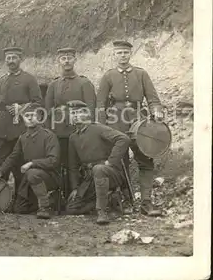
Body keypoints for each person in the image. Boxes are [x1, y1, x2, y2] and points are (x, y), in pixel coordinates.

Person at [97, 40, 164, 216]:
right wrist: (103, 127)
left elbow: (153, 98)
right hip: (116, 120)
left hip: (139, 119)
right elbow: (100, 104)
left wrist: (156, 112)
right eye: (119, 53)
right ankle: (126, 201)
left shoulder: (141, 74)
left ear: (131, 54)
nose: (123, 56)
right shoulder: (108, 76)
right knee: (120, 161)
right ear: (114, 55)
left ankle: (146, 202)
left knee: (145, 158)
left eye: (126, 52)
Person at [0, 103, 60, 219]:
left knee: (32, 173)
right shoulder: (23, 138)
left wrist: (32, 163)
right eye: (27, 115)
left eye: (33, 115)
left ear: (40, 118)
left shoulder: (49, 136)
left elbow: (53, 160)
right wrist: (0, 172)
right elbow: (13, 157)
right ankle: (44, 200)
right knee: (19, 209)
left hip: (49, 177)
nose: (30, 118)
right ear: (23, 118)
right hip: (30, 179)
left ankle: (45, 207)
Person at [67, 100, 131, 224]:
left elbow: (124, 139)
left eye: (77, 113)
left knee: (99, 169)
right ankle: (109, 200)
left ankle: (102, 212)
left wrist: (111, 162)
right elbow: (73, 165)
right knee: (71, 208)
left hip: (110, 173)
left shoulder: (98, 129)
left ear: (86, 114)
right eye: (72, 113)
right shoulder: (73, 137)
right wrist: (75, 188)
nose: (74, 116)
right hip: (90, 177)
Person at [44, 48, 96, 198]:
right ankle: (61, 195)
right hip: (58, 130)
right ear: (59, 61)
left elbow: (91, 109)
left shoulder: (84, 82)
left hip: (79, 129)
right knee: (60, 162)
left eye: (69, 58)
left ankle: (80, 195)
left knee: (78, 162)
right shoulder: (54, 85)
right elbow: (47, 110)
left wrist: (87, 129)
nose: (66, 61)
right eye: (63, 58)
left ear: (75, 60)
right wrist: (49, 131)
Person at [0, 47, 43, 200]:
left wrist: (22, 108)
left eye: (14, 58)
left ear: (20, 59)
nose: (11, 61)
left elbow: (38, 102)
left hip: (21, 130)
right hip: (2, 130)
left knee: (20, 163)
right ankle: (0, 199)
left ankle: (22, 199)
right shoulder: (1, 81)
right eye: (8, 58)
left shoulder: (29, 79)